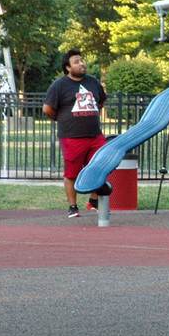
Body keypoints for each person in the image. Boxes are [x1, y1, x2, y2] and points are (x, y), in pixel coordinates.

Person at [43, 49, 108, 218]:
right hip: (71, 137)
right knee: (72, 172)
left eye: (82, 60)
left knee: (101, 165)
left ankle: (93, 201)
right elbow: (48, 109)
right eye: (76, 62)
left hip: (95, 136)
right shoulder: (59, 86)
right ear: (68, 67)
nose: (82, 64)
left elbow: (100, 103)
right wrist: (63, 119)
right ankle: (73, 206)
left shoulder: (93, 82)